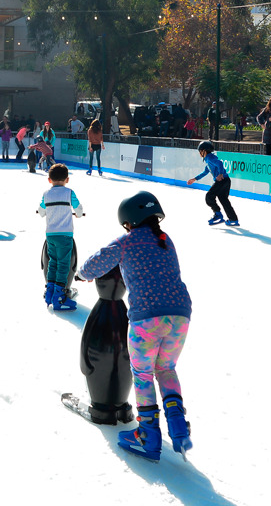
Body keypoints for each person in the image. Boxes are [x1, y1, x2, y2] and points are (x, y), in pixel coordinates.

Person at [77, 191, 193, 461]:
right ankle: (178, 426)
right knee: (165, 368)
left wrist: (81, 274)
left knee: (142, 374)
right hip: (180, 315)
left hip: (146, 318)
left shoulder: (126, 242)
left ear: (129, 221)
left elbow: (97, 262)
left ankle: (148, 435)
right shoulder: (167, 240)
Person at [37, 163, 84, 310]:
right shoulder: (69, 193)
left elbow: (41, 211)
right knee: (63, 265)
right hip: (65, 235)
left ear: (49, 180)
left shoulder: (46, 194)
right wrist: (78, 214)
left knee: (53, 262)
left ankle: (50, 291)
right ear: (67, 179)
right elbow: (79, 210)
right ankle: (59, 296)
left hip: (50, 235)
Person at [186, 140, 239, 226]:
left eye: (200, 151)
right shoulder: (208, 160)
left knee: (209, 197)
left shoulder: (210, 157)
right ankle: (233, 219)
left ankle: (218, 214)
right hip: (226, 180)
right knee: (223, 200)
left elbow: (220, 163)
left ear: (204, 151)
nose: (199, 153)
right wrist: (195, 179)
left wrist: (220, 173)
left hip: (221, 180)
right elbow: (205, 172)